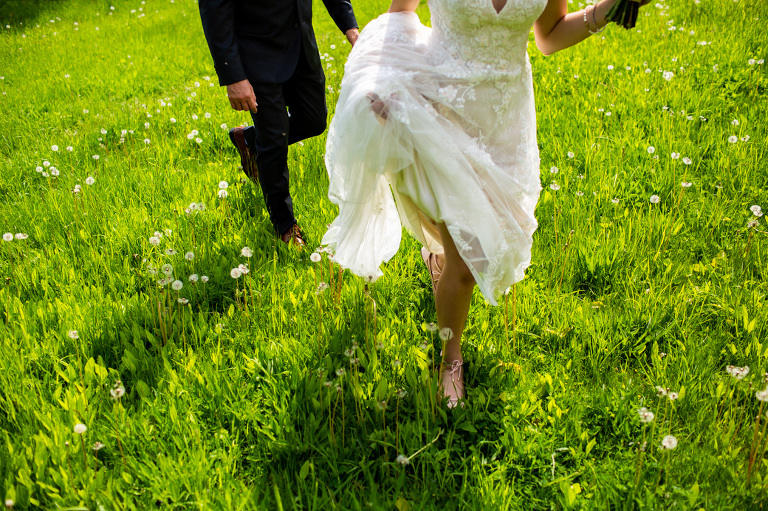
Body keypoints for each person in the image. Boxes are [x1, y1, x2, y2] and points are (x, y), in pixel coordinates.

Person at [322, 0, 650, 407]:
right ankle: (450, 362)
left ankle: (440, 257)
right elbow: (398, 16)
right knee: (468, 260)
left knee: (487, 237)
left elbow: (549, 37)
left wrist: (606, 10)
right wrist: (382, 79)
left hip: (505, 118)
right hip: (441, 107)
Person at [198, 0, 360, 247]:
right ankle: (285, 226)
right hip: (256, 54)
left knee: (314, 120)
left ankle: (250, 140)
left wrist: (350, 27)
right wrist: (233, 76)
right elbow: (214, 10)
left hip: (302, 47)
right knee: (273, 141)